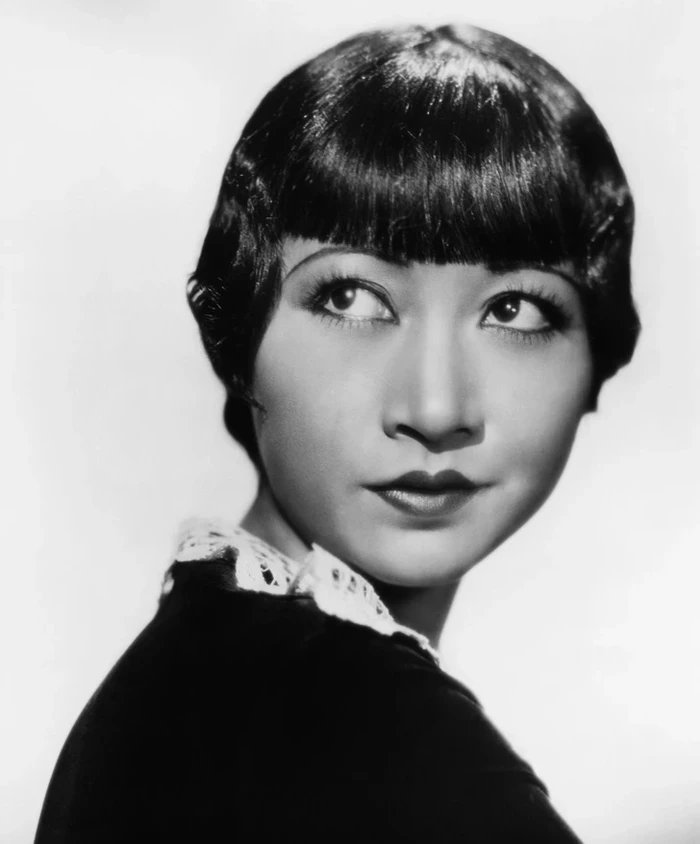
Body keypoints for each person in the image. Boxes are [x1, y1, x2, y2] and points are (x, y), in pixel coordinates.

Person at [35, 23, 639, 843]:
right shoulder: (376, 730)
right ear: (235, 338)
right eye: (351, 298)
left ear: (599, 354)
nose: (436, 408)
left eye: (515, 310)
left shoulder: (179, 680)